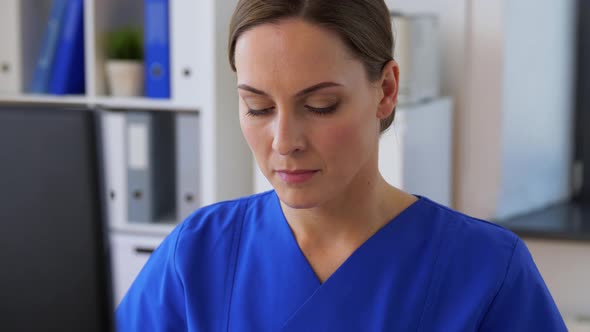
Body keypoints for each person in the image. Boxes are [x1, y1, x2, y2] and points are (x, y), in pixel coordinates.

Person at [115, 0, 567, 330]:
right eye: (257, 107)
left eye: (321, 105)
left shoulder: (487, 272)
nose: (285, 141)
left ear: (386, 90)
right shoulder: (195, 257)